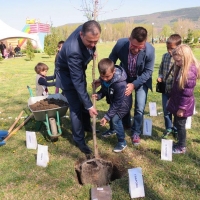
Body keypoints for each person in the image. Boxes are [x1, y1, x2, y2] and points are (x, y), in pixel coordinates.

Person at [56, 20, 101, 154]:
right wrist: (90, 106)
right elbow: (77, 81)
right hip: (66, 75)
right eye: (90, 42)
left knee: (83, 99)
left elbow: (90, 44)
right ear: (81, 35)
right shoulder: (73, 50)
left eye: (96, 42)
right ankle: (79, 140)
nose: (93, 45)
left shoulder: (86, 28)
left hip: (77, 69)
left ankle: (87, 126)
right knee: (76, 106)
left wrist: (92, 50)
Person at [109, 27, 155, 145]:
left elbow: (148, 72)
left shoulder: (150, 50)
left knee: (139, 107)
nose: (136, 49)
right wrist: (103, 77)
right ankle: (126, 124)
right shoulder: (120, 44)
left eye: (140, 47)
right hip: (125, 76)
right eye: (134, 46)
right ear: (129, 39)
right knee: (123, 102)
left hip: (141, 80)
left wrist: (134, 85)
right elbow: (111, 61)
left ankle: (136, 132)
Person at [93, 58, 132, 152]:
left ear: (114, 71)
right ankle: (112, 130)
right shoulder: (104, 77)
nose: (105, 79)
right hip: (114, 102)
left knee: (115, 119)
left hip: (123, 104)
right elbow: (104, 89)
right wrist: (98, 95)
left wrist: (106, 117)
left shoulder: (120, 84)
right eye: (102, 77)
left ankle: (122, 142)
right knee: (111, 113)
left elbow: (118, 103)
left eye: (107, 77)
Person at [167, 44, 200, 154]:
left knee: (180, 126)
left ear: (185, 58)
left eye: (178, 61)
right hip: (177, 101)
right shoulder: (181, 68)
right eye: (175, 61)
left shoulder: (189, 72)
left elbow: (187, 94)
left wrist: (182, 108)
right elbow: (176, 88)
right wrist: (171, 98)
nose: (176, 63)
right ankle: (179, 143)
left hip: (183, 105)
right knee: (177, 124)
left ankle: (182, 147)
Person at [157, 34, 182, 139]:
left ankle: (176, 129)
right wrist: (160, 76)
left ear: (179, 47)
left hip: (176, 91)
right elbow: (161, 68)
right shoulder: (165, 56)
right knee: (166, 110)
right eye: (167, 48)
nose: (169, 51)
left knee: (175, 111)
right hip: (165, 90)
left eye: (171, 48)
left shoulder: (180, 59)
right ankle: (168, 128)